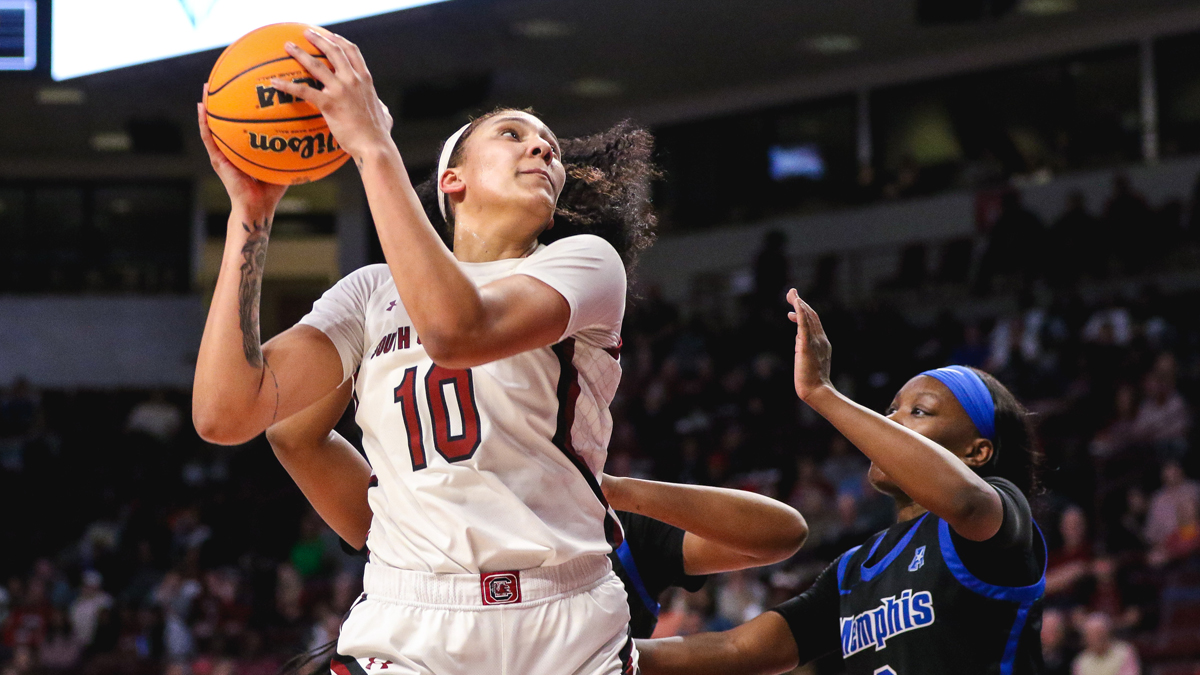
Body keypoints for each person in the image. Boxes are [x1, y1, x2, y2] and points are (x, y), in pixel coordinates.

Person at [192, 30, 656, 675]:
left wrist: (373, 146)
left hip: (565, 616)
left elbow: (456, 333)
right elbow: (227, 414)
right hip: (410, 619)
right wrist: (251, 213)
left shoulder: (585, 265)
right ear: (452, 180)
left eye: (546, 144)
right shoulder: (371, 292)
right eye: (512, 135)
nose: (541, 146)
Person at [635, 288, 1046, 674]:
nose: (891, 421)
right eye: (891, 409)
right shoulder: (853, 569)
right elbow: (740, 649)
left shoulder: (1003, 521)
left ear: (977, 452)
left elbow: (965, 501)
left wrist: (821, 392)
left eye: (919, 412)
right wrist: (614, 654)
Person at [263, 382, 809, 643]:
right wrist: (372, 336)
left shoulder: (616, 530)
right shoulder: (417, 514)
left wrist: (615, 488)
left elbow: (780, 533)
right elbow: (291, 434)